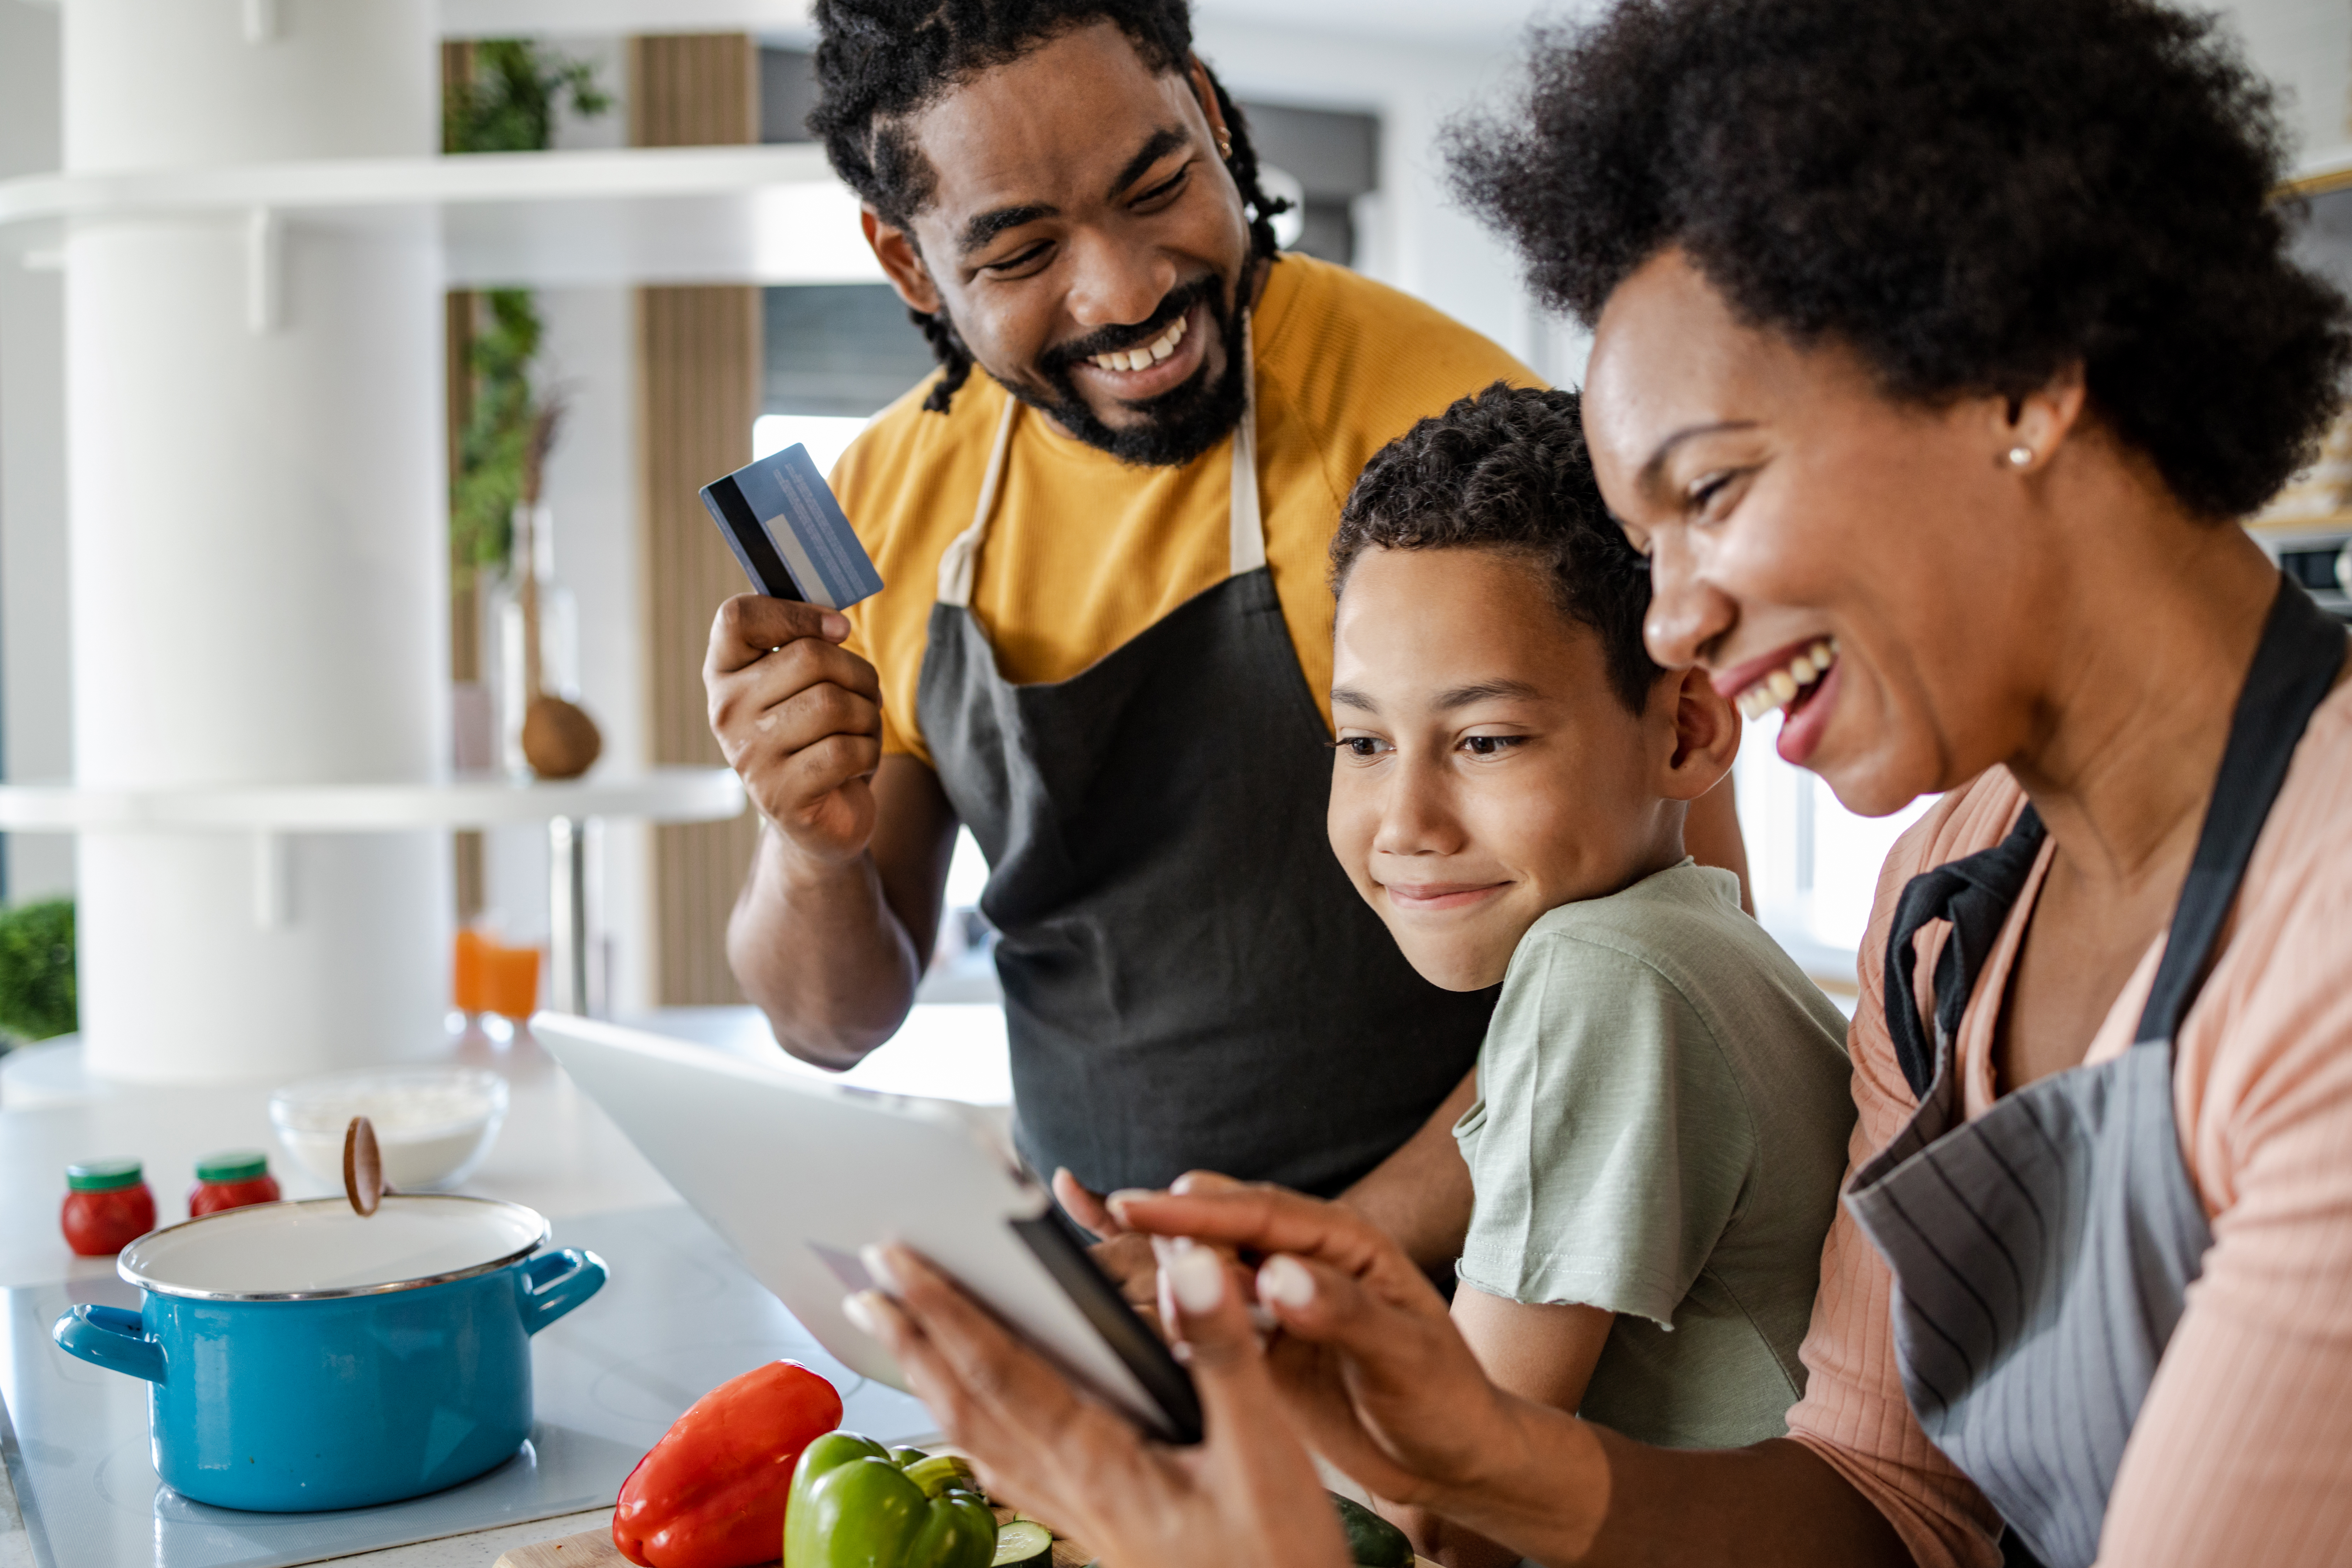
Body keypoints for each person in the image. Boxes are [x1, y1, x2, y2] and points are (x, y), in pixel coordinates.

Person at [837, 1, 2352, 1565]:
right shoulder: (1948, 900)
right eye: (1646, 541)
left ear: (2019, 379)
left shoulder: (2327, 942)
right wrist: (1469, 1452)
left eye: (1712, 490)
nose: (1672, 622)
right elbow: (1895, 1510)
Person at [702, 0, 1750, 1268]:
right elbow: (832, 1025)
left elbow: (1674, 959)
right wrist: (809, 845)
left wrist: (1303, 1266)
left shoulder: (1443, 436)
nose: (1128, 288)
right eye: (1023, 253)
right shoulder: (882, 501)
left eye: (1157, 187)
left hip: (1468, 1291)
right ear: (910, 264)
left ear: (1207, 110)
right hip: (1129, 1303)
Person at [1324, 383, 1856, 1564]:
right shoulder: (1690, 938)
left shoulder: (1605, 972)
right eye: (1363, 742)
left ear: (1688, 730)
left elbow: (1449, 1514)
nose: (1404, 821)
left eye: (1486, 741)